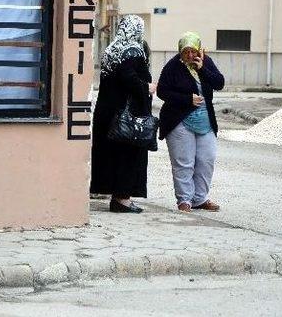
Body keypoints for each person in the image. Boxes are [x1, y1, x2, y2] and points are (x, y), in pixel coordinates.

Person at [90, 15, 156, 213]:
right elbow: (129, 79)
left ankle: (115, 196)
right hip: (127, 118)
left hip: (107, 114)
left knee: (111, 155)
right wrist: (148, 87)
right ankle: (122, 200)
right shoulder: (133, 51)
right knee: (128, 156)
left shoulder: (111, 50)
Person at [156, 31, 225, 213]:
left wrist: (202, 68)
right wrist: (187, 99)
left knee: (206, 160)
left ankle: (200, 199)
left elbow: (219, 83)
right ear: (180, 51)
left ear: (199, 50)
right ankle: (184, 200)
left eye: (193, 51)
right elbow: (162, 91)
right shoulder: (173, 66)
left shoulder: (206, 62)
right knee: (184, 162)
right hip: (179, 120)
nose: (189, 55)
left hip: (205, 121)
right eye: (185, 52)